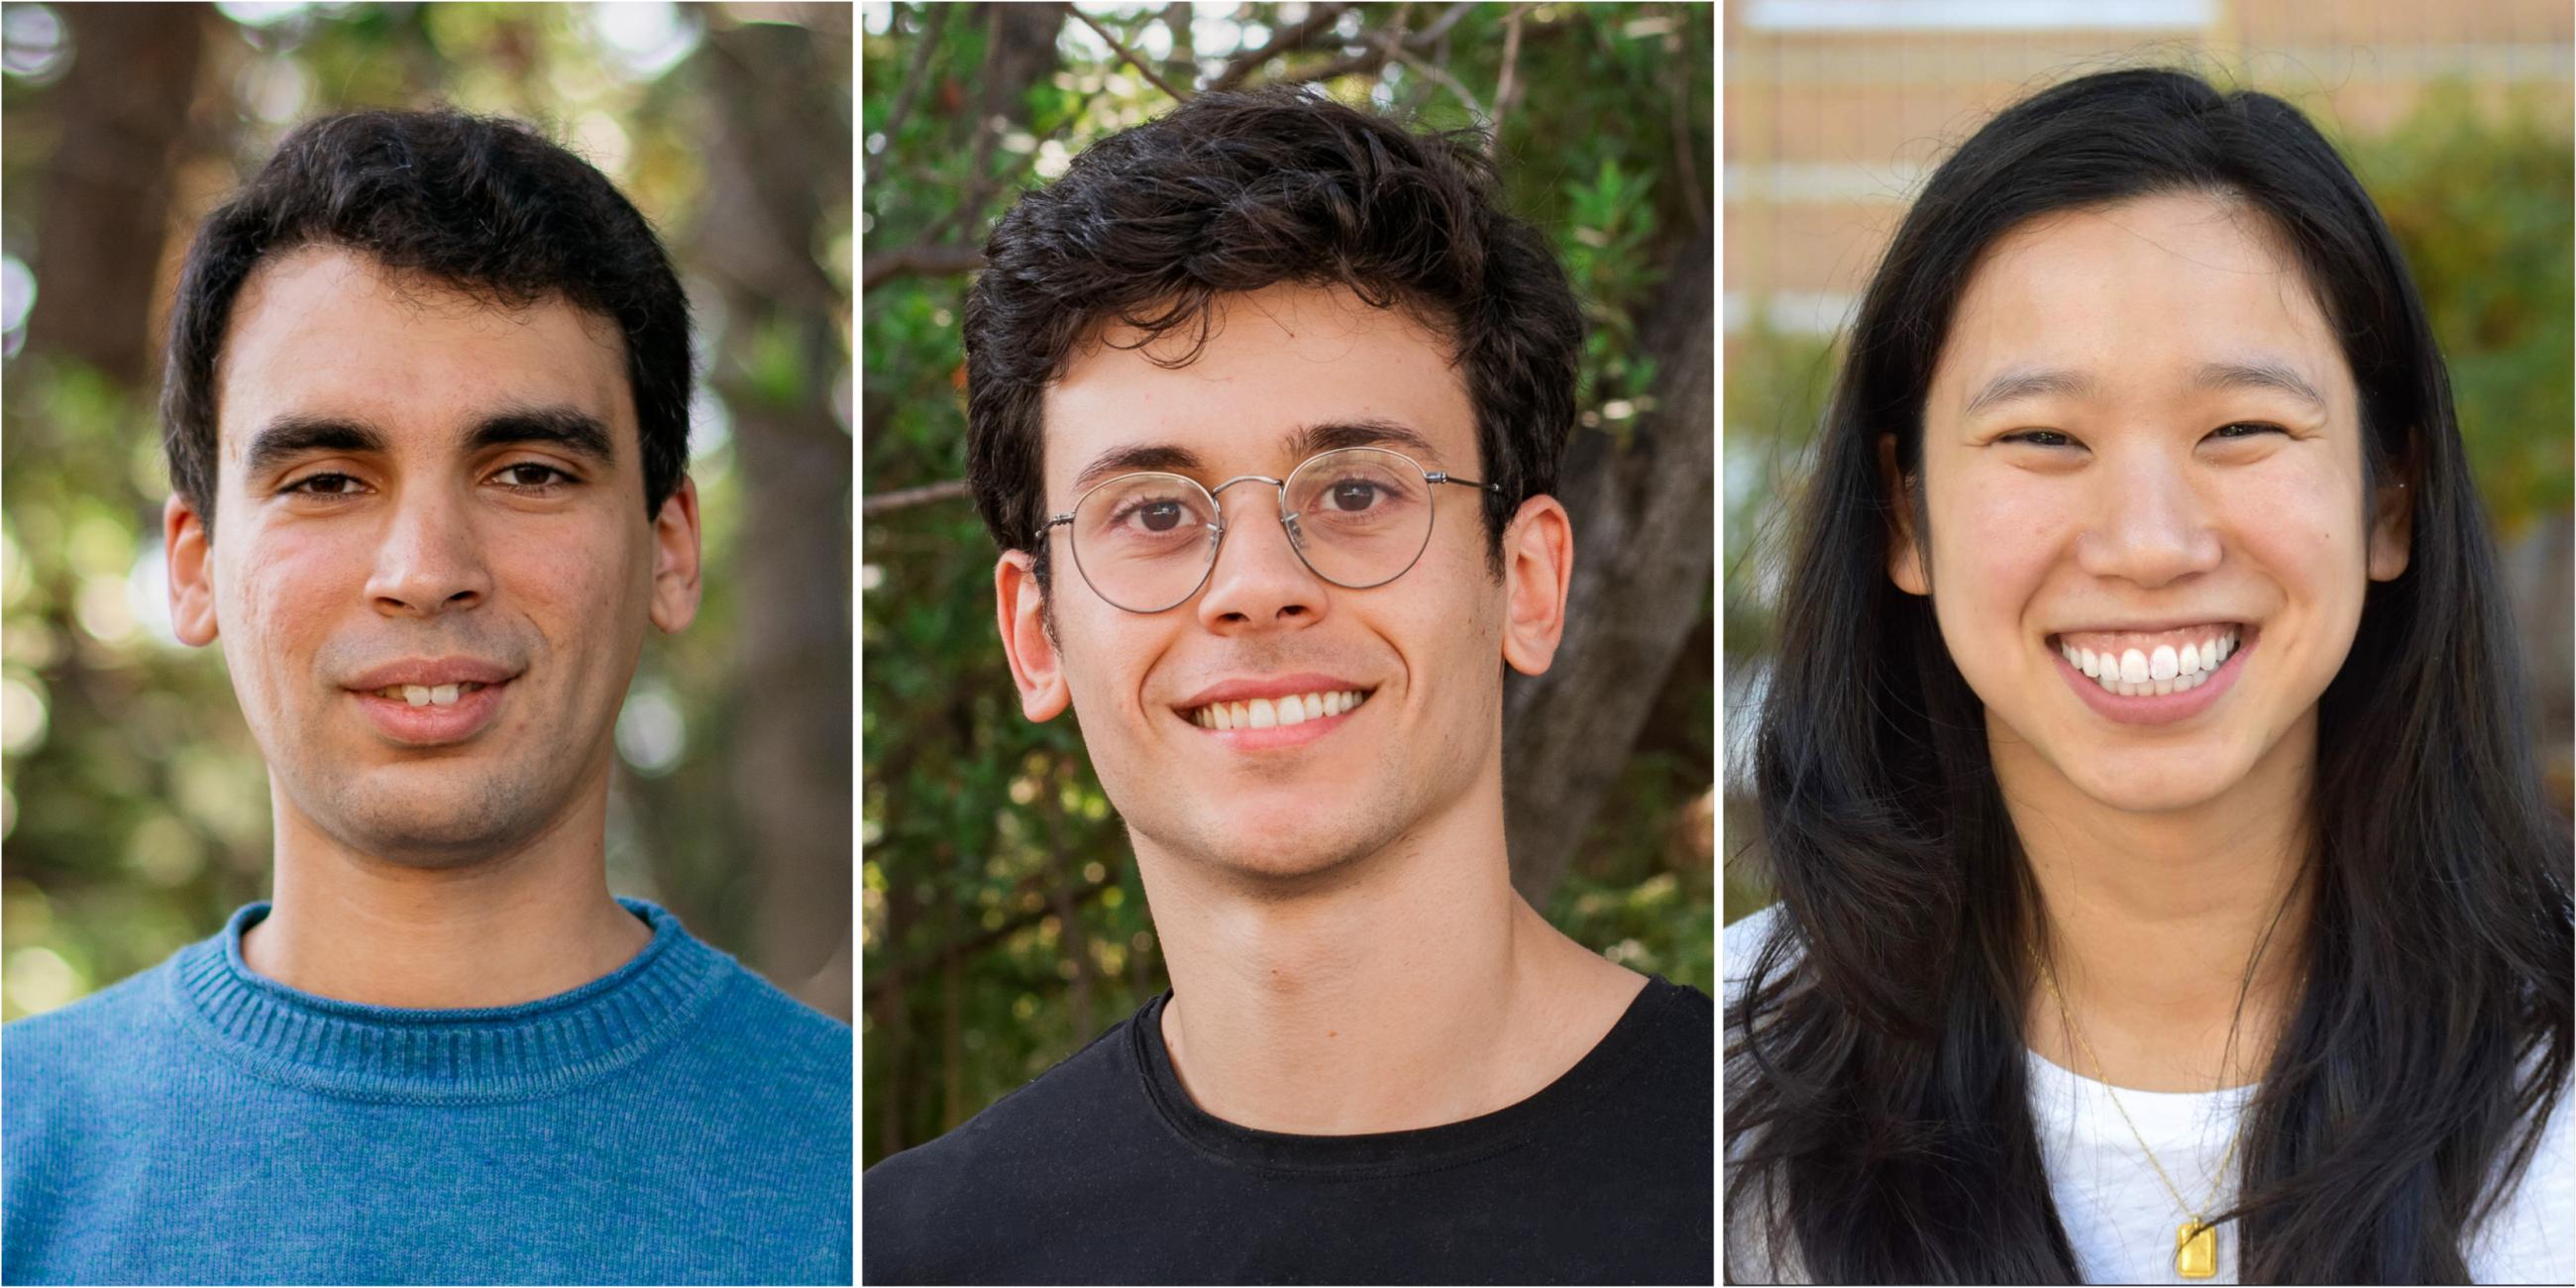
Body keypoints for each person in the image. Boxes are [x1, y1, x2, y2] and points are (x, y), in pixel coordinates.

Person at [1726, 67, 2572, 1284]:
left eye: (2239, 429)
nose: (2147, 542)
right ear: (1905, 514)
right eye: (2041, 438)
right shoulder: (1721, 1100)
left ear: (2389, 494)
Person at [861, 88, 1714, 1285]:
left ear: (1524, 581)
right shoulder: (903, 1252)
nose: (1255, 586)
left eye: (1355, 492)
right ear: (1035, 632)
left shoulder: (1785, 1174)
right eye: (1154, 513)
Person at [0, 109, 852, 1287]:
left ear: (668, 549)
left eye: (530, 472)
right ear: (195, 565)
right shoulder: (19, 1161)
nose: (424, 567)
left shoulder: (871, 1183)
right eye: (328, 478)